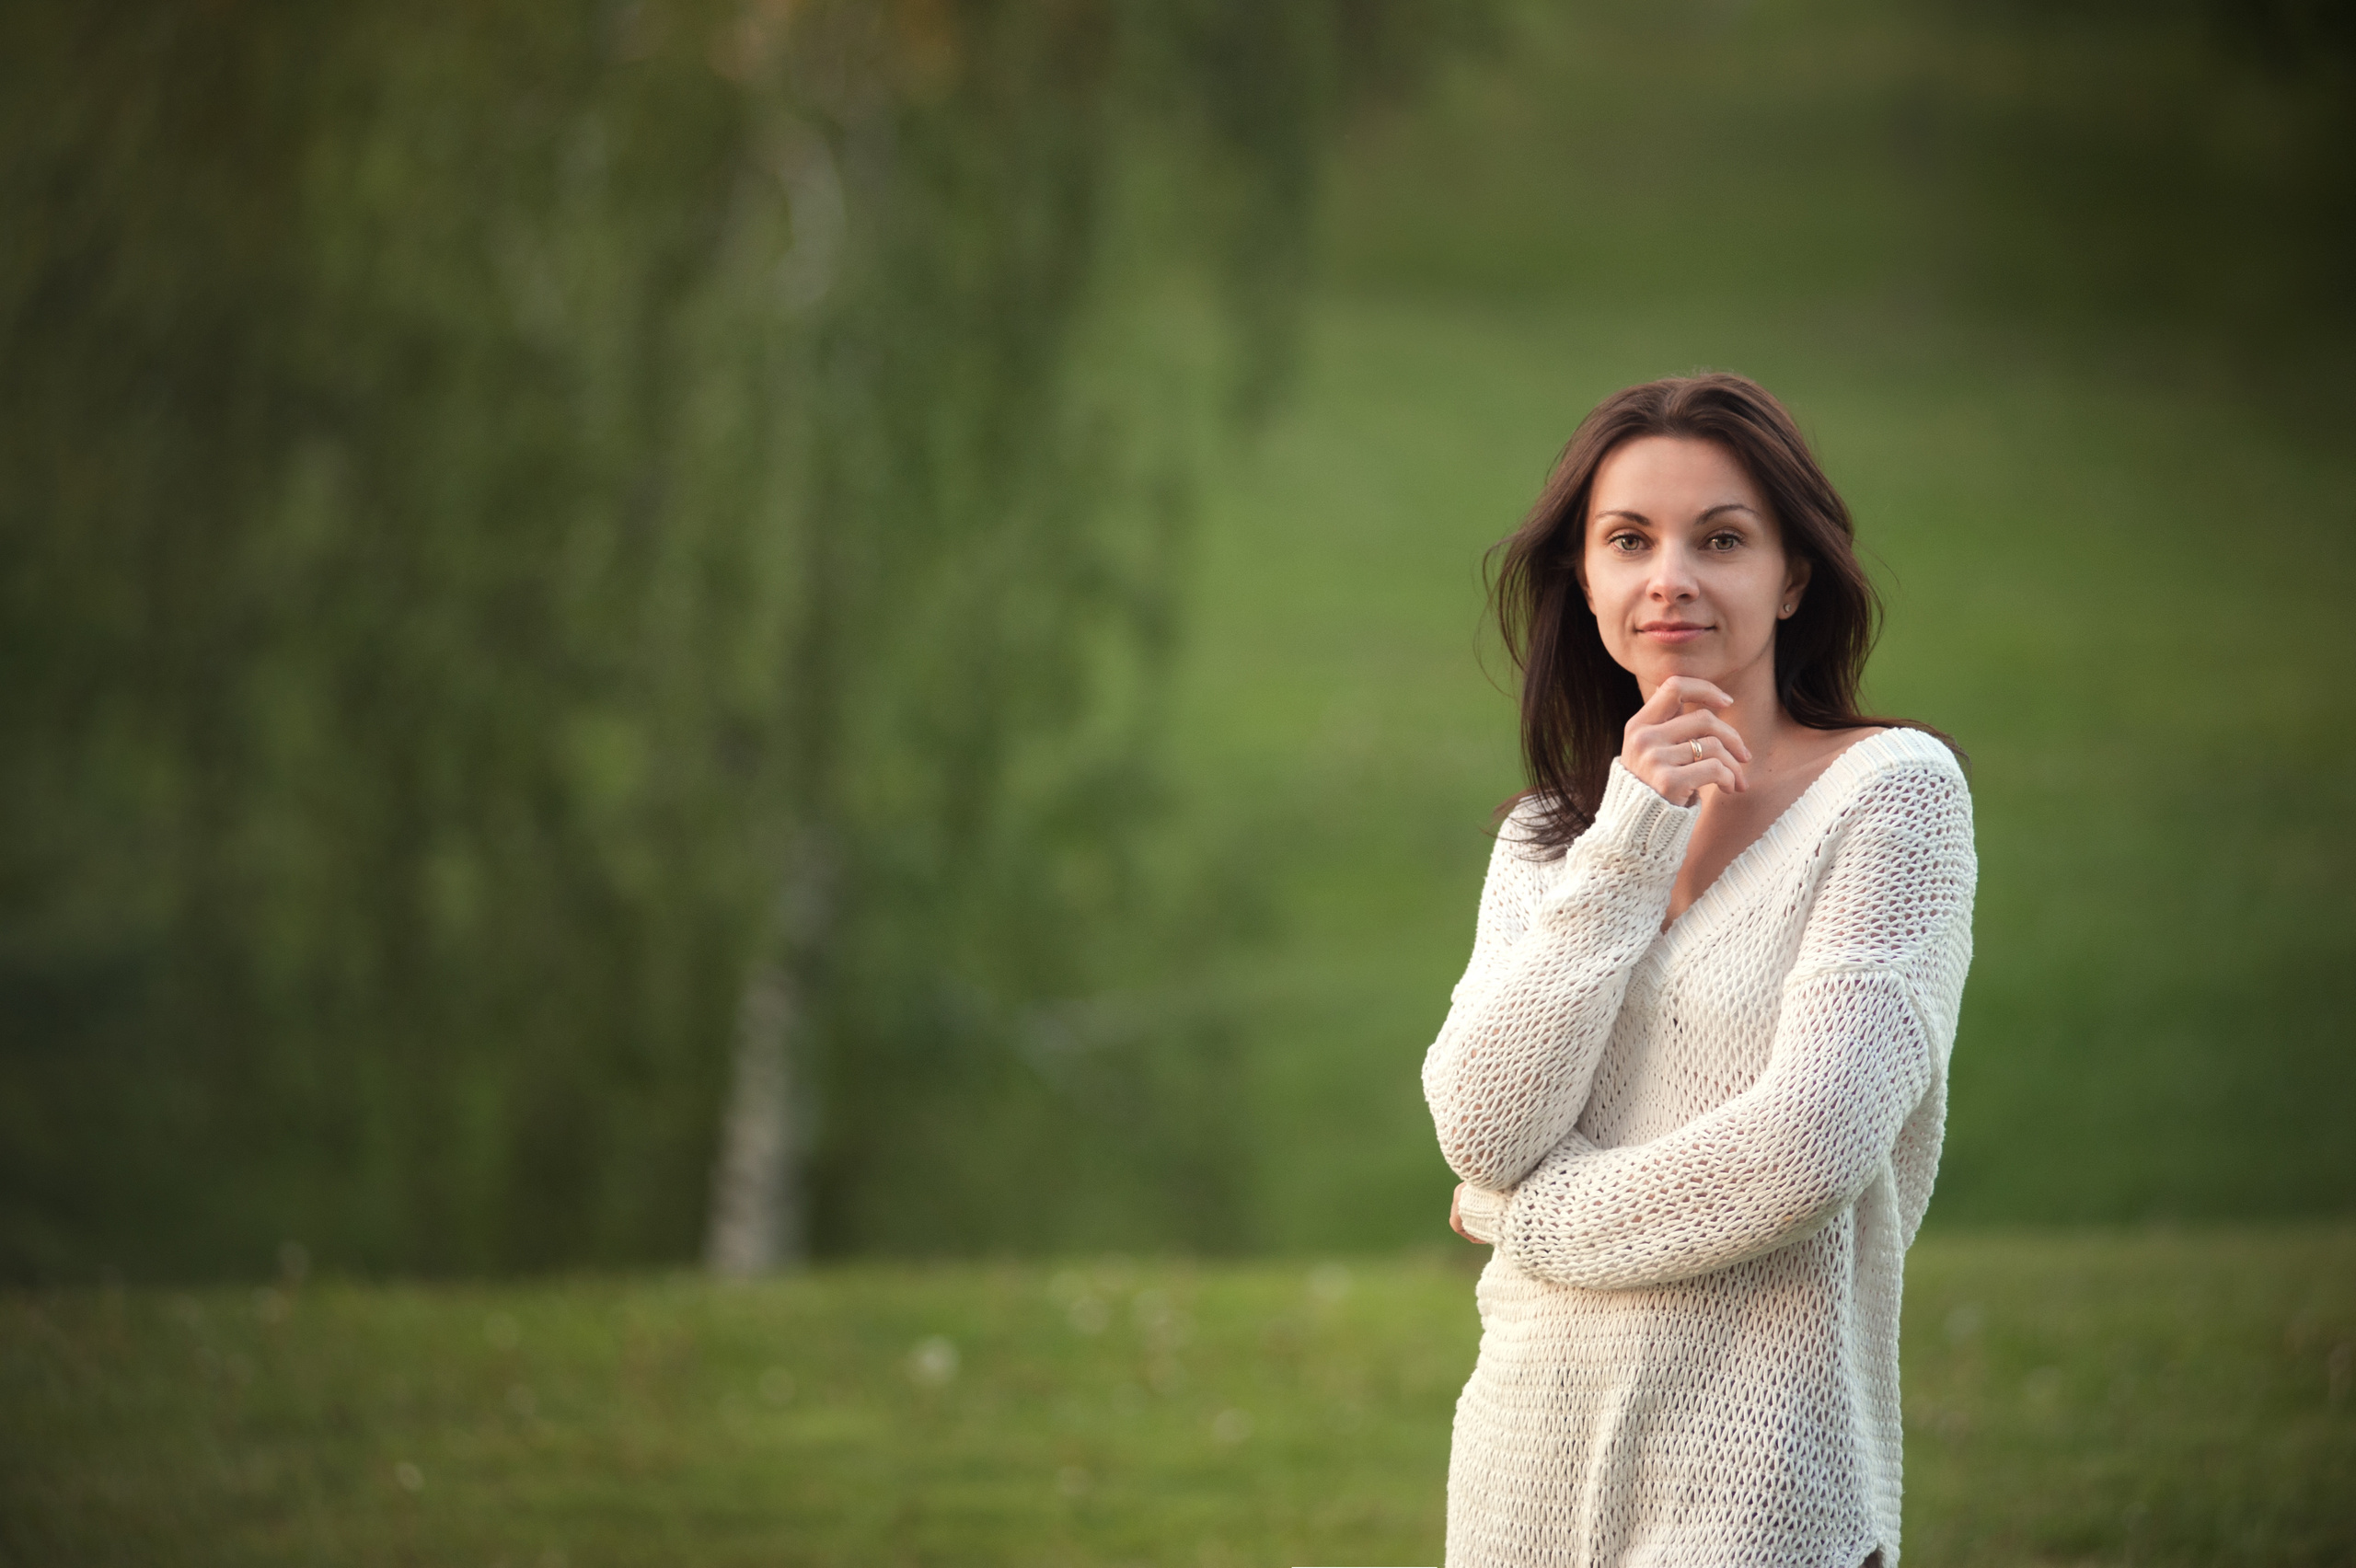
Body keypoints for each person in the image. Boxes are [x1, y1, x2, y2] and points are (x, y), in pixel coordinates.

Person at [1422, 372, 1976, 1568]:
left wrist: (1533, 1220)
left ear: (1794, 577)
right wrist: (1630, 836)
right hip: (1518, 1474)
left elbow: (1807, 1151)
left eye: (1720, 538)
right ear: (1587, 577)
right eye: (1630, 539)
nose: (1669, 574)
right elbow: (1480, 1130)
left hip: (1761, 1491)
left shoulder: (1893, 799)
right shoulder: (1549, 840)